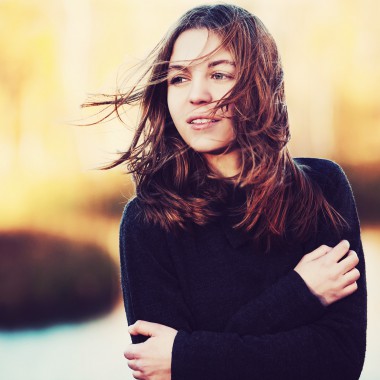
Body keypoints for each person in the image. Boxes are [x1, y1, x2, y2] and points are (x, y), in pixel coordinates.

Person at [84, 4, 367, 380]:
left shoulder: (322, 189)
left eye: (218, 74)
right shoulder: (148, 222)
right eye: (179, 78)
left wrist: (186, 354)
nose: (197, 95)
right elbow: (158, 370)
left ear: (260, 84)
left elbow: (340, 361)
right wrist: (300, 293)